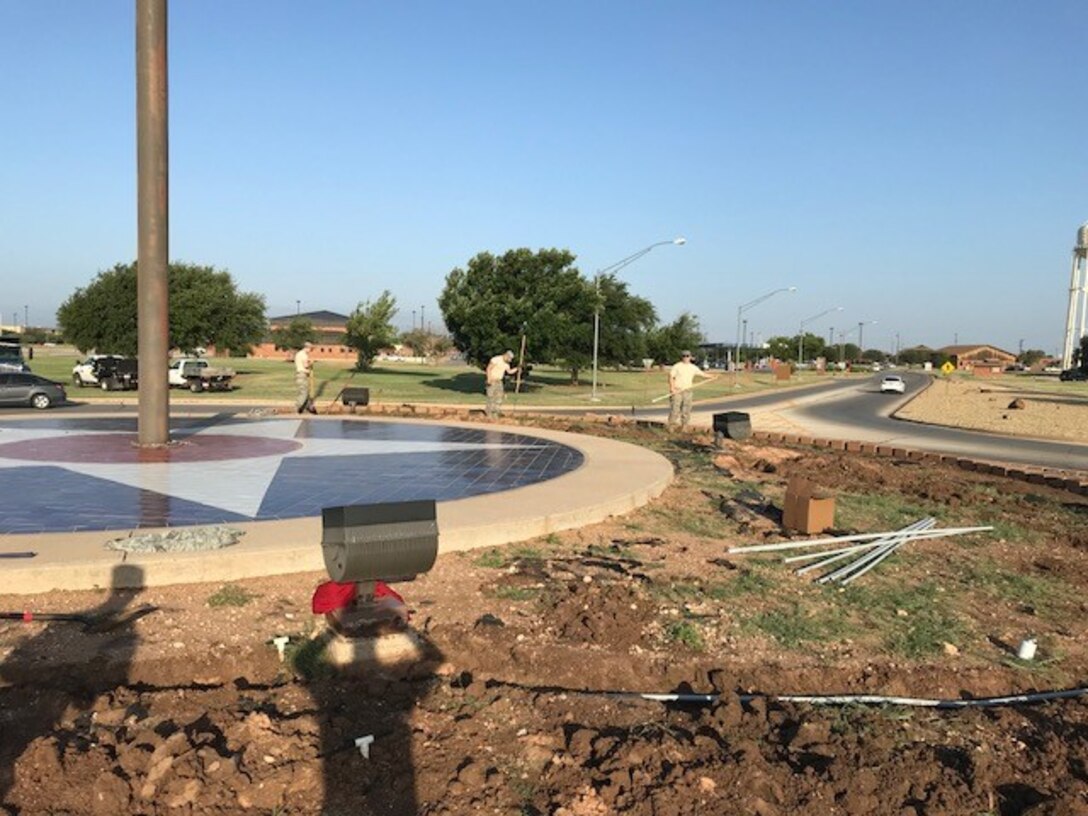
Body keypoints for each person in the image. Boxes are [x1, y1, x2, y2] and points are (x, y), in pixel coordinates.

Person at [668, 350, 715, 428]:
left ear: (690, 357)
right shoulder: (677, 366)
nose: (686, 358)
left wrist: (712, 376)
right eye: (684, 356)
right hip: (677, 391)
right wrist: (672, 388)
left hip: (688, 391)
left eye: (687, 356)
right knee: (675, 410)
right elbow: (671, 377)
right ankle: (671, 426)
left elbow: (702, 374)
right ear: (681, 357)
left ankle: (684, 426)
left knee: (686, 410)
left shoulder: (693, 367)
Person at [484, 350, 519, 418]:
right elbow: (489, 368)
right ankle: (489, 414)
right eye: (509, 358)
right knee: (491, 397)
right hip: (492, 380)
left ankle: (496, 413)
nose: (510, 360)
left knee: (499, 398)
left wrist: (517, 368)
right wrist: (489, 379)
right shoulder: (496, 359)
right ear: (506, 355)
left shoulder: (506, 364)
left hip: (499, 381)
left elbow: (509, 371)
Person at [295, 341, 317, 414]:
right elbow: (306, 366)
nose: (311, 351)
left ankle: (308, 407)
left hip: (301, 375)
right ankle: (298, 408)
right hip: (302, 375)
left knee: (305, 392)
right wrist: (311, 362)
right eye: (311, 349)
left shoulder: (299, 354)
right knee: (304, 393)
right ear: (307, 348)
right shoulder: (304, 355)